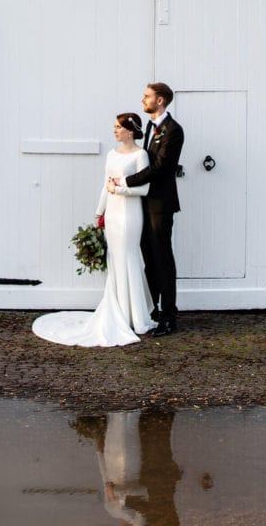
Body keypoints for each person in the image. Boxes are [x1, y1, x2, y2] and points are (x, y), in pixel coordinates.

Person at [32, 113, 154, 348]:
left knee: (128, 257)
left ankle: (135, 316)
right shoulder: (111, 154)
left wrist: (118, 190)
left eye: (119, 127)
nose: (115, 131)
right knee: (114, 259)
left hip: (130, 214)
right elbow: (104, 185)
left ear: (130, 130)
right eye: (115, 127)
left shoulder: (141, 155)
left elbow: (144, 189)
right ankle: (118, 309)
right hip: (113, 214)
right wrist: (100, 211)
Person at [115, 83, 184, 336]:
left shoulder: (174, 130)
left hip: (160, 205)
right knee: (149, 259)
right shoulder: (149, 129)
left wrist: (125, 182)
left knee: (163, 259)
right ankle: (151, 311)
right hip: (143, 203)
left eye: (147, 97)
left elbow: (161, 167)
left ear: (160, 101)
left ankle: (169, 317)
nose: (143, 99)